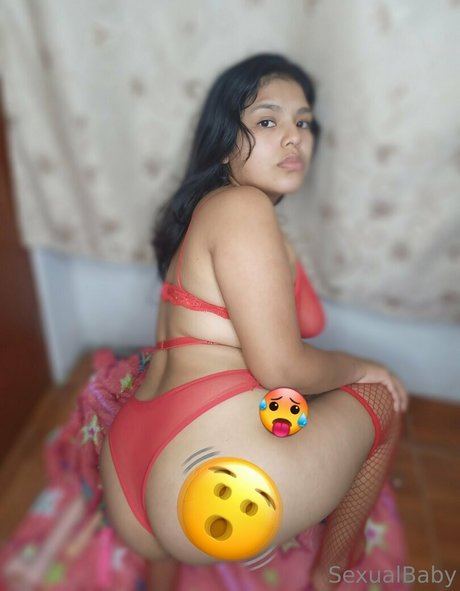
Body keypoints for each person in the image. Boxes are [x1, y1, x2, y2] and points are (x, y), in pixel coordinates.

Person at [100, 53, 408, 591]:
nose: (294, 137)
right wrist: (363, 368)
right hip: (206, 479)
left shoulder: (211, 213)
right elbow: (282, 368)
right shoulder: (244, 209)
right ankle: (331, 573)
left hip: (131, 465)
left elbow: (291, 327)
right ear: (224, 141)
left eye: (303, 122)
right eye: (268, 121)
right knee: (383, 400)